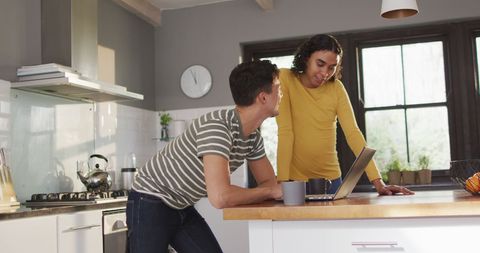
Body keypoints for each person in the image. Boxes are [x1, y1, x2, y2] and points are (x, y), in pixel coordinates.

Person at [127, 60, 283, 253]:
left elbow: (268, 182)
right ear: (263, 97)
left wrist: (276, 189)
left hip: (181, 204)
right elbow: (220, 197)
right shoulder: (216, 127)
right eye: (278, 88)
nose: (281, 94)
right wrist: (270, 191)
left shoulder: (253, 138)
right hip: (150, 199)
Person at [276, 34, 413, 196]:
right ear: (306, 58)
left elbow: (353, 133)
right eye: (320, 64)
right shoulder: (285, 78)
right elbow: (285, 131)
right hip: (294, 183)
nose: (325, 73)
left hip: (332, 182)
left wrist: (378, 181)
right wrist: (283, 183)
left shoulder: (336, 89)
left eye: (331, 67)